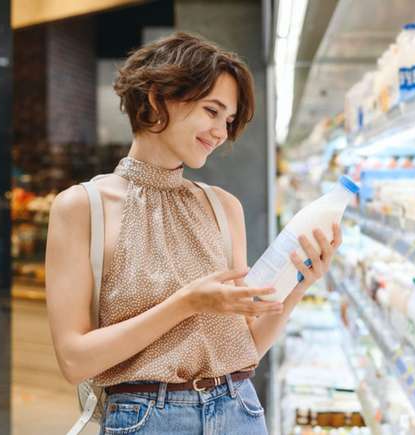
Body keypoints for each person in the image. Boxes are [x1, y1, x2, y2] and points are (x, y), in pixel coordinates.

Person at [44, 32, 341, 434]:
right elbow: (74, 360)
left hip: (240, 410)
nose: (221, 131)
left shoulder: (223, 208)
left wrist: (300, 284)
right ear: (155, 99)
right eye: (211, 110)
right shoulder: (82, 208)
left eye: (230, 120)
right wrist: (187, 303)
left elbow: (247, 347)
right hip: (147, 418)